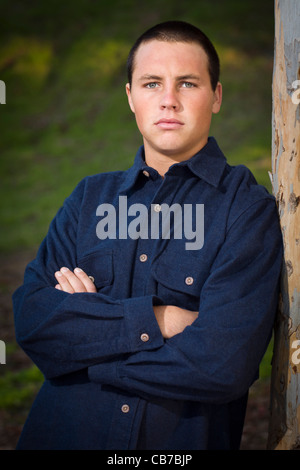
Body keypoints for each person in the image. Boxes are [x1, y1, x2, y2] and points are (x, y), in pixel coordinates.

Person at [13, 20, 282, 450]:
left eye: (188, 84)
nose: (169, 101)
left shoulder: (246, 209)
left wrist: (87, 349)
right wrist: (160, 320)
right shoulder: (88, 198)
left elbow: (223, 364)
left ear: (216, 96)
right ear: (130, 97)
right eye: (152, 83)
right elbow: (34, 320)